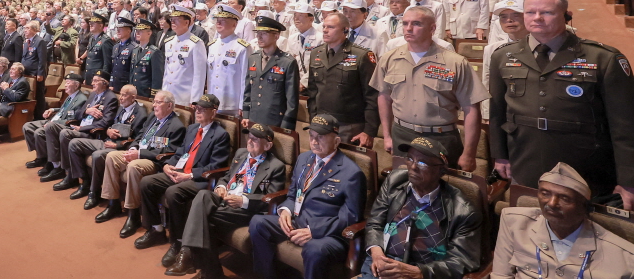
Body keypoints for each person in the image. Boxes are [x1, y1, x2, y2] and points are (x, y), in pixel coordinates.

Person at [489, 0, 634, 208]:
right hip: (524, 162)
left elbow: (625, 124)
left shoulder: (603, 58)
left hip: (585, 168)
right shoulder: (502, 56)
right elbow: (497, 111)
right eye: (530, 12)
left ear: (566, 15)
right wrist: (500, 155)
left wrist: (628, 180)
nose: (537, 17)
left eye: (546, 12)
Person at [370, 6, 488, 171]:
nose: (409, 28)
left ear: (432, 28)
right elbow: (384, 97)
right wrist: (387, 136)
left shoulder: (455, 62)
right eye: (405, 23)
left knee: (442, 189)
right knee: (403, 187)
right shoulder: (389, 58)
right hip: (402, 134)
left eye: (416, 23)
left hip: (441, 137)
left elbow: (471, 109)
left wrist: (469, 153)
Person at [249, 115, 367, 279]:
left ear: (337, 141)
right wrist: (285, 211)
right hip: (297, 221)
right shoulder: (304, 159)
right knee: (258, 222)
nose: (314, 141)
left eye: (321, 137)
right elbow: (292, 194)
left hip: (328, 234)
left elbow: (350, 218)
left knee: (314, 250)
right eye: (311, 136)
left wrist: (314, 231)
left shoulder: (352, 173)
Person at [359, 135, 483, 279]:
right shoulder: (394, 182)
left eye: (422, 163)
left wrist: (420, 272)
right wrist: (376, 253)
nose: (413, 167)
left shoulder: (463, 210)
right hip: (381, 266)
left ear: (441, 170)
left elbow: (462, 260)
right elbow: (375, 223)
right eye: (410, 159)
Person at [175, 122, 287, 278]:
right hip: (223, 200)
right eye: (250, 137)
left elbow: (270, 199)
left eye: (255, 139)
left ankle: (196, 259)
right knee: (203, 195)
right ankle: (200, 264)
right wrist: (220, 186)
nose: (250, 140)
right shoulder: (241, 154)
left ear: (267, 145)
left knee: (202, 218)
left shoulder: (275, 166)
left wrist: (243, 201)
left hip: (243, 210)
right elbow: (227, 177)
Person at [132, 94, 232, 264]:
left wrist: (189, 175)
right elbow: (179, 153)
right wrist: (167, 165)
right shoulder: (192, 129)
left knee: (173, 192)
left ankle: (177, 242)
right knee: (147, 183)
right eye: (196, 108)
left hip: (199, 179)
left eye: (202, 109)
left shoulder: (220, 135)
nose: (198, 111)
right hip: (179, 171)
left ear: (213, 113)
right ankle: (156, 230)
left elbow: (216, 166)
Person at [493, 162, 634, 279]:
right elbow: (501, 275)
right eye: (545, 194)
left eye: (565, 198)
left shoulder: (625, 256)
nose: (552, 203)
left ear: (584, 207)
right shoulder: (513, 222)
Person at [96, 90, 186, 238]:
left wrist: (138, 154)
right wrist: (133, 148)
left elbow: (167, 152)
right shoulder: (152, 117)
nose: (154, 105)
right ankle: (113, 204)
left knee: (133, 166)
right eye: (154, 102)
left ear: (169, 106)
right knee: (112, 156)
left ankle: (133, 214)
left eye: (158, 102)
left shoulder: (176, 126)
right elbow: (140, 136)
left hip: (153, 161)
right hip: (138, 152)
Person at [66, 84, 149, 207]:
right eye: (120, 94)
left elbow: (137, 139)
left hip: (118, 147)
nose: (121, 98)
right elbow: (111, 124)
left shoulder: (140, 113)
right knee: (74, 143)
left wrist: (118, 146)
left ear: (133, 97)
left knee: (97, 155)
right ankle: (84, 182)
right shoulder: (121, 108)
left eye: (124, 95)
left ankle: (93, 193)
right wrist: (108, 130)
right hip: (106, 141)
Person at [306, 12, 379, 148]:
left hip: (349, 126)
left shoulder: (361, 55)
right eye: (324, 27)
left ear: (345, 30)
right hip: (321, 123)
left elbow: (372, 96)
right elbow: (312, 91)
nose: (325, 30)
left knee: (347, 165)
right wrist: (313, 120)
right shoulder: (316, 53)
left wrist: (369, 131)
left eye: (331, 27)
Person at [46, 69, 120, 190]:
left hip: (91, 133)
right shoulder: (92, 95)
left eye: (96, 81)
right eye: (93, 80)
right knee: (56, 128)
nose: (93, 83)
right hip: (80, 127)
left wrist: (83, 128)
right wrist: (87, 111)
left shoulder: (110, 98)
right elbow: (78, 114)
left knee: (65, 133)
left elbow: (105, 122)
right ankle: (65, 171)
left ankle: (71, 176)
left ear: (105, 83)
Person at [242, 15, 299, 130]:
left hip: (275, 121)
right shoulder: (253, 58)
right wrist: (246, 114)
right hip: (254, 118)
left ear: (276, 36)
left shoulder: (287, 62)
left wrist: (286, 126)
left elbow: (292, 99)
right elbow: (248, 89)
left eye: (264, 33)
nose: (259, 37)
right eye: (258, 33)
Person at [23, 72, 88, 173]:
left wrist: (54, 123)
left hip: (60, 124)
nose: (65, 85)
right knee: (27, 126)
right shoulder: (70, 95)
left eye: (68, 83)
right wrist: (53, 109)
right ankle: (42, 155)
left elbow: (73, 118)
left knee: (39, 132)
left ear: (76, 85)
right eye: (65, 83)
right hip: (53, 120)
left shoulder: (81, 99)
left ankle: (50, 162)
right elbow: (64, 109)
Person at [206, 3, 250, 115]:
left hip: (232, 104)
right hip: (212, 102)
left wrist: (243, 105)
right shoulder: (212, 45)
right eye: (217, 20)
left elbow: (246, 78)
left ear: (234, 24)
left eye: (224, 20)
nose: (219, 23)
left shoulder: (242, 47)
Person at [162, 5, 208, 106]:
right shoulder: (169, 42)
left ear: (187, 22)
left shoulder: (195, 43)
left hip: (184, 97)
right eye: (172, 19)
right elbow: (167, 71)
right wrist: (163, 92)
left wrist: (195, 99)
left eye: (177, 19)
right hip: (168, 95)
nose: (172, 22)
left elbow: (199, 74)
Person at [129, 19, 163, 98]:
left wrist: (154, 94)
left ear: (149, 33)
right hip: (134, 90)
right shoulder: (135, 49)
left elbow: (157, 76)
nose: (137, 33)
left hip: (145, 92)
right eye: (136, 30)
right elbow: (132, 71)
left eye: (140, 31)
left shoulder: (154, 51)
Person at [80, 14, 114, 85]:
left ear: (101, 26)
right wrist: (86, 77)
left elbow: (107, 63)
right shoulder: (92, 38)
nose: (90, 25)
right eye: (90, 23)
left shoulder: (106, 40)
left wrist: (103, 78)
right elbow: (90, 58)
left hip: (98, 77)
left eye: (93, 24)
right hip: (89, 75)